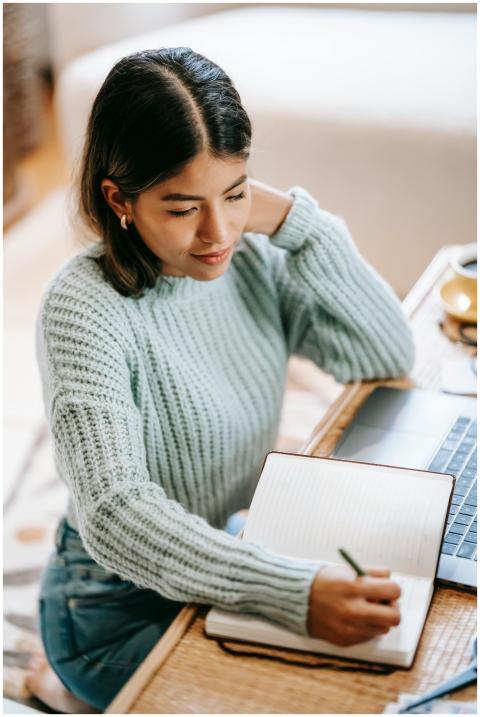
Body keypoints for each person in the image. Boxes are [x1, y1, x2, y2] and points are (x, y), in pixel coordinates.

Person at [27, 47, 413, 712]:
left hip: (225, 553)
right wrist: (287, 590)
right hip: (111, 606)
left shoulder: (249, 255)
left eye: (235, 194)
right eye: (182, 208)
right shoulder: (81, 308)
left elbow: (384, 352)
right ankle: (61, 681)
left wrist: (299, 224)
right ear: (118, 198)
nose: (217, 233)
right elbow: (115, 512)